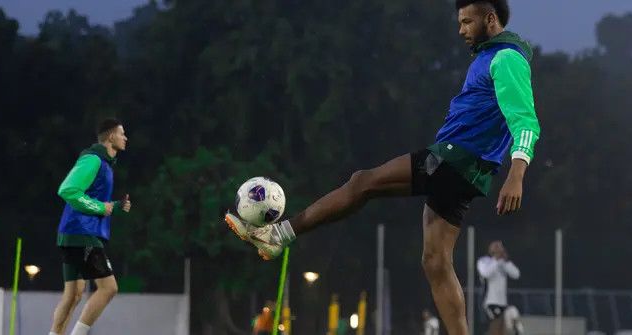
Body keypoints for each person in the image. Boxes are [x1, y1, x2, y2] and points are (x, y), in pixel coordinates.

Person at [226, 0, 540, 334]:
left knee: (363, 183)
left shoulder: (507, 59)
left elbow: (526, 123)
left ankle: (278, 234)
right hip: (466, 170)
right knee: (435, 262)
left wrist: (516, 174)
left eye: (467, 22)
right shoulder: (490, 56)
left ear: (490, 19)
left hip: (453, 159)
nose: (461, 30)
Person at [48, 118, 131, 335]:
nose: (125, 138)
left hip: (72, 233)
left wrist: (115, 206)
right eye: (122, 133)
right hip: (82, 234)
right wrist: (100, 208)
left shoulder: (104, 164)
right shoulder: (93, 159)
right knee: (109, 288)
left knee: (74, 293)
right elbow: (68, 190)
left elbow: (95, 201)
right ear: (111, 136)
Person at [477, 241, 521, 335]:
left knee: (513, 314)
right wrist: (496, 260)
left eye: (500, 248)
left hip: (503, 303)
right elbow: (485, 273)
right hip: (490, 302)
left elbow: (516, 274)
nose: (499, 250)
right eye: (496, 247)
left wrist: (506, 262)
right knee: (496, 324)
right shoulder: (484, 261)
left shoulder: (503, 263)